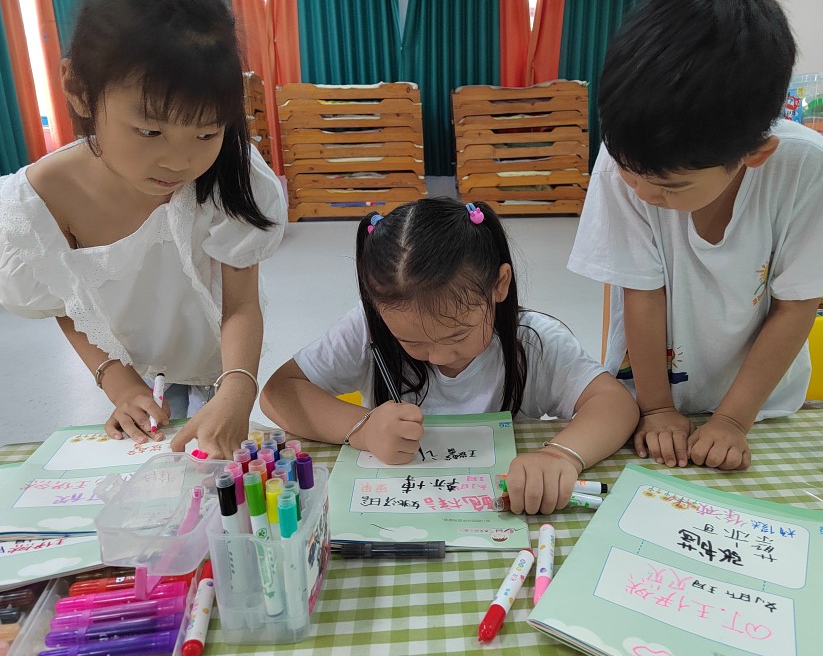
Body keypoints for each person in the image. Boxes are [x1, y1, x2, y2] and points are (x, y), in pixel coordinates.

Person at [568, 0, 823, 471]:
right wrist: (657, 408)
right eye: (631, 174)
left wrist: (733, 420)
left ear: (755, 154)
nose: (643, 193)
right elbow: (642, 294)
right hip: (648, 399)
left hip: (759, 406)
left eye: (670, 187)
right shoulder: (625, 156)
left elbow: (796, 306)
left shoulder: (808, 169)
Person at [0, 0, 287, 459]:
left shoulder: (228, 171)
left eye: (206, 132)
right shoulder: (40, 200)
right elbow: (66, 302)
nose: (179, 160)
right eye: (149, 131)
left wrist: (239, 385)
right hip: (133, 362)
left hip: (219, 354)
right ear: (78, 89)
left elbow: (240, 304)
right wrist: (118, 382)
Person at [260, 198, 638, 514]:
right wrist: (363, 428)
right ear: (377, 308)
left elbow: (614, 403)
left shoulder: (532, 341)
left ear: (499, 285)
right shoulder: (368, 329)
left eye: (458, 334)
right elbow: (278, 393)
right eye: (412, 342)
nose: (438, 356)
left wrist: (561, 456)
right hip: (398, 506)